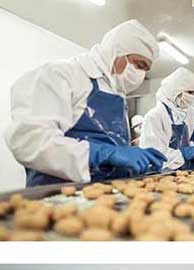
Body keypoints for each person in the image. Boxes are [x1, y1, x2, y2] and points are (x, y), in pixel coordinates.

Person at [5, 20, 167, 187]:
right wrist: (100, 154)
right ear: (116, 52)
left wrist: (129, 154)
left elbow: (113, 144)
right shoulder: (62, 76)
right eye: (139, 64)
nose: (140, 75)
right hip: (57, 197)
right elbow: (27, 140)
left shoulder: (117, 95)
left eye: (146, 69)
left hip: (109, 196)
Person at [140, 68, 194, 171]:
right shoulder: (154, 117)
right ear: (175, 91)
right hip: (160, 176)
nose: (192, 97)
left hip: (180, 173)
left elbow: (185, 144)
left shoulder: (180, 117)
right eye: (189, 92)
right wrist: (188, 153)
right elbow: (153, 156)